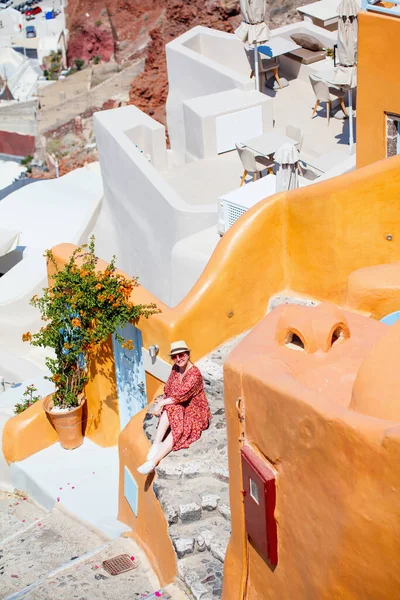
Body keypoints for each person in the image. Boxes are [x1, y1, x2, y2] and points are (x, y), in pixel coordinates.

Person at [137, 340, 211, 475]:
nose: (178, 359)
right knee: (172, 408)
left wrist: (161, 403)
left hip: (194, 410)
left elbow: (181, 396)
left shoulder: (194, 374)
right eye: (174, 357)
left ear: (188, 355)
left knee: (179, 424)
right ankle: (156, 444)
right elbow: (169, 387)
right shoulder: (175, 369)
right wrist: (164, 400)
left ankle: (154, 461)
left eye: (181, 355)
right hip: (178, 404)